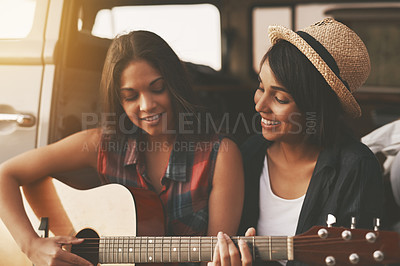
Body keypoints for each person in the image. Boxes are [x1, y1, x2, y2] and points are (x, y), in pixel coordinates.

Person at [0, 30, 244, 266]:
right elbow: (5, 175)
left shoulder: (220, 155)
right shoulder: (102, 145)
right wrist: (31, 246)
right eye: (130, 96)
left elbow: (216, 255)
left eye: (157, 88)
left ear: (175, 85)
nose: (146, 105)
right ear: (118, 101)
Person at [211, 18, 384, 266]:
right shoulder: (249, 154)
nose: (259, 105)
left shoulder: (356, 167)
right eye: (261, 87)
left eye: (280, 98)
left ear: (315, 107)